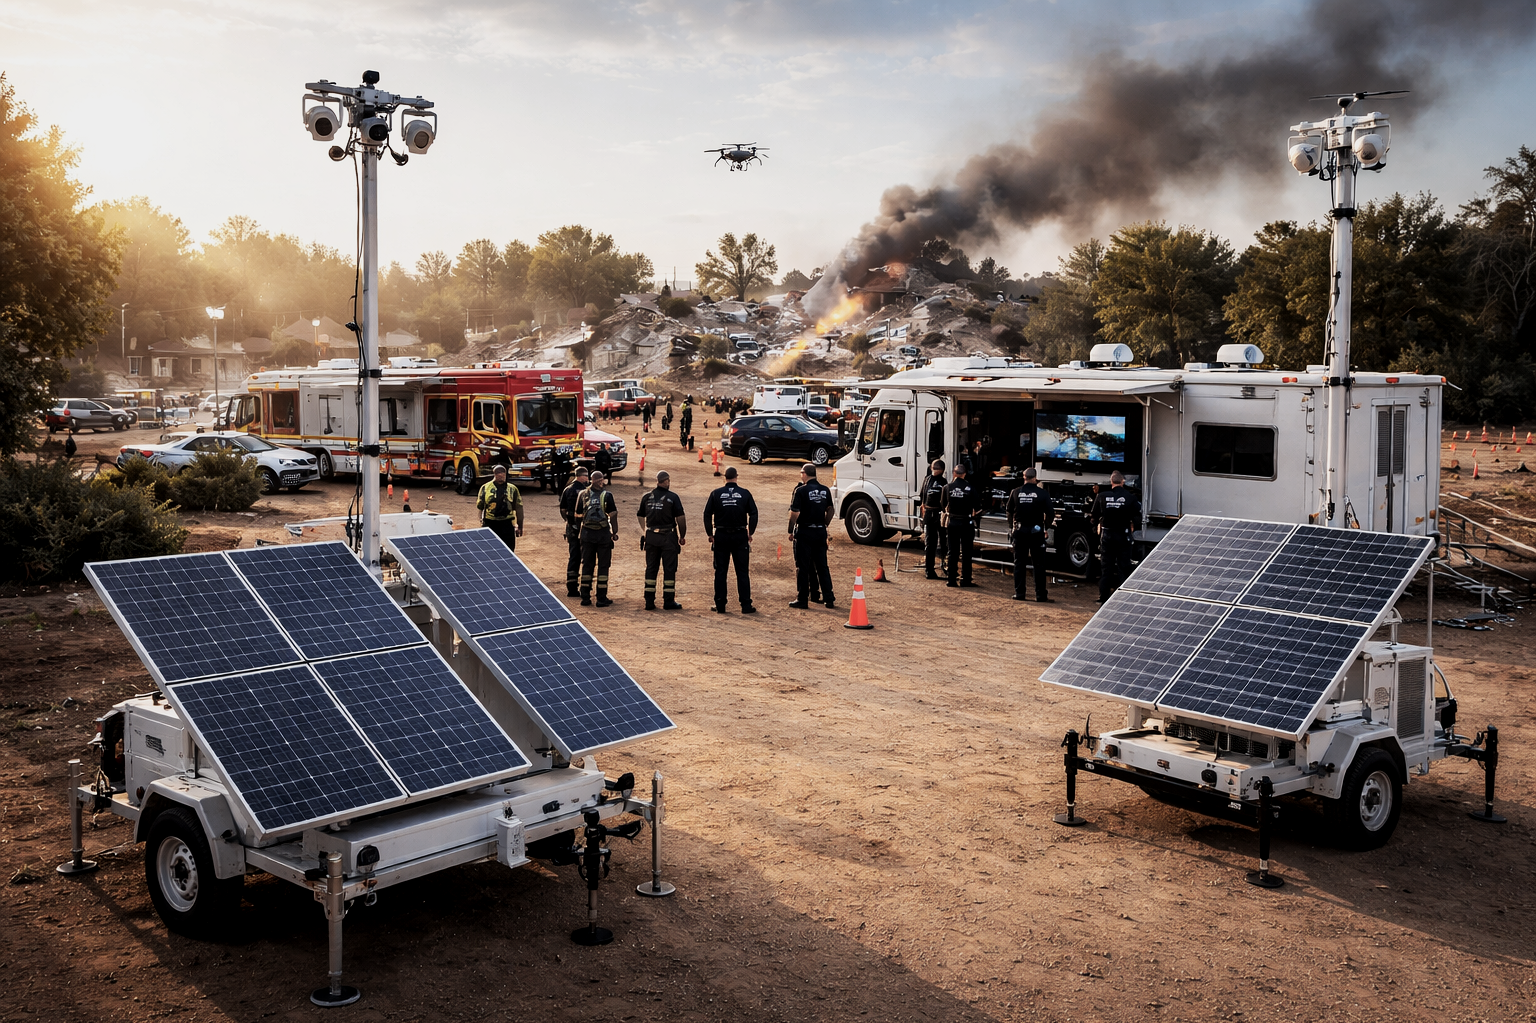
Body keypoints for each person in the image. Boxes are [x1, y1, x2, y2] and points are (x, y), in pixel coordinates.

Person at [703, 465, 759, 614]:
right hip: (740, 535)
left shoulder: (716, 493)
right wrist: (750, 532)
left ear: (724, 478)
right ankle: (746, 605)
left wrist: (710, 534)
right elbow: (754, 513)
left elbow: (707, 514)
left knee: (720, 571)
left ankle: (720, 605)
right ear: (736, 477)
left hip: (721, 535)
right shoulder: (745, 493)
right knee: (742, 572)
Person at [637, 471, 687, 610]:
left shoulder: (647, 497)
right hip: (668, 537)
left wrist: (645, 530)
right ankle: (668, 601)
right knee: (669, 570)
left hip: (651, 537)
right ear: (666, 481)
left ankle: (649, 601)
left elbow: (640, 515)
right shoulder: (673, 497)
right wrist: (682, 536)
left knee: (651, 569)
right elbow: (681, 519)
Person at [788, 463, 835, 609]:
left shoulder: (801, 491)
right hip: (820, 531)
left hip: (805, 532)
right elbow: (831, 510)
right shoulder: (825, 490)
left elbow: (795, 513)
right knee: (822, 566)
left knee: (803, 566)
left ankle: (802, 599)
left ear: (804, 474)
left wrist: (790, 530)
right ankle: (829, 598)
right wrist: (824, 524)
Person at [1092, 470, 1140, 603]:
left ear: (1111, 482)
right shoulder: (1130, 497)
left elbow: (1094, 515)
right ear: (1123, 482)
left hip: (1107, 535)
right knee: (1124, 567)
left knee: (1106, 568)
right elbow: (1137, 514)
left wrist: (1097, 526)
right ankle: (1123, 598)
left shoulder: (1102, 496)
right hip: (1123, 536)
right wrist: (1132, 524)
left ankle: (1103, 597)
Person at [1007, 467, 1054, 602]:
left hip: (1020, 531)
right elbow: (1050, 513)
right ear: (1035, 478)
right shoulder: (1043, 493)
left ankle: (1020, 593)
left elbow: (1009, 510)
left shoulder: (1015, 492)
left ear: (1024, 477)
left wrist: (1012, 526)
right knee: (1039, 564)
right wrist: (1045, 526)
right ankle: (1040, 595)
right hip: (1036, 531)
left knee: (1019, 563)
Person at [577, 470, 620, 607]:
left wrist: (580, 532)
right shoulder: (607, 495)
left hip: (587, 535)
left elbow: (577, 515)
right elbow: (613, 514)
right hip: (602, 535)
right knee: (603, 566)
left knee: (587, 565)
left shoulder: (582, 494)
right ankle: (601, 598)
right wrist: (614, 532)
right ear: (600, 481)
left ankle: (585, 597)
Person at [942, 463, 981, 588]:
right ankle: (965, 580)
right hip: (966, 523)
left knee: (952, 551)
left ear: (954, 473)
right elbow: (978, 508)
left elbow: (943, 505)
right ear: (964, 474)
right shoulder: (970, 487)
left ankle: (951, 580)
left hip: (952, 522)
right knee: (966, 552)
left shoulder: (947, 487)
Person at [558, 466, 590, 596]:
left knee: (573, 556)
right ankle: (585, 587)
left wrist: (568, 521)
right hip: (584, 529)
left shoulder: (567, 490)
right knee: (587, 557)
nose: (588, 479)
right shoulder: (585, 491)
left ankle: (571, 587)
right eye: (587, 476)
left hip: (571, 528)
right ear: (582, 476)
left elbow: (562, 509)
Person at [476, 464, 524, 551]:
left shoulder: (512, 489)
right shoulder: (485, 488)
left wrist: (519, 526)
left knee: (508, 551)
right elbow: (480, 507)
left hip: (507, 524)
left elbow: (519, 508)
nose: (501, 475)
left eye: (503, 473)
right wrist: (482, 522)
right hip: (490, 523)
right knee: (489, 551)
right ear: (494, 474)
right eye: (498, 473)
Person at [919, 458, 947, 580]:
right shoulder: (943, 482)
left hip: (930, 512)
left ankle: (930, 570)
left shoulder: (927, 480)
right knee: (940, 542)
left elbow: (922, 496)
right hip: (937, 513)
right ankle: (936, 568)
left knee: (931, 543)